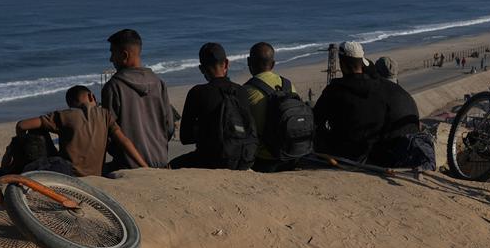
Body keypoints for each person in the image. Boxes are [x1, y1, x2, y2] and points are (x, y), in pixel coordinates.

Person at [313, 41, 430, 168]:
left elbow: (316, 118)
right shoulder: (380, 87)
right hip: (383, 151)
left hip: (350, 154)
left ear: (342, 65)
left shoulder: (335, 89)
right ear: (362, 63)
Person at [12, 85, 147, 177]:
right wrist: (145, 166)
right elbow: (124, 141)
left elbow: (22, 125)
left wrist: (20, 142)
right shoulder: (106, 115)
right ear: (91, 97)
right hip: (96, 174)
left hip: (69, 172)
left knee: (38, 131)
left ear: (70, 104)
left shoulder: (64, 115)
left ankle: (19, 169)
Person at [170, 43, 257, 169]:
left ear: (201, 69)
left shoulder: (197, 92)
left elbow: (185, 137)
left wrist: (207, 130)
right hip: (242, 157)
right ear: (226, 64)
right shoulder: (241, 91)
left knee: (170, 166)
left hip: (210, 159)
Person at [101, 28, 175, 169]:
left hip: (128, 166)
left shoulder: (113, 87)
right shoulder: (158, 83)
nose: (110, 59)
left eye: (112, 53)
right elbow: (169, 128)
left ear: (124, 55)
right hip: (161, 161)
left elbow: (108, 133)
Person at [243, 42, 312, 172]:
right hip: (291, 153)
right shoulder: (288, 85)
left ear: (249, 62)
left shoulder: (246, 91)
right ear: (273, 64)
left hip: (263, 159)